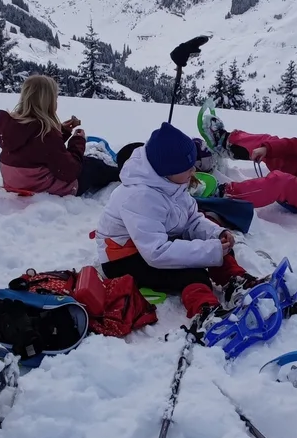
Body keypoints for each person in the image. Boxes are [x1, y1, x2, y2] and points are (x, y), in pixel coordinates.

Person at [95, 123, 245, 315]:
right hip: (124, 257)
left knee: (214, 242)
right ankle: (206, 311)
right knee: (191, 271)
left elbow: (191, 218)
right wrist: (209, 251)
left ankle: (236, 281)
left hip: (153, 241)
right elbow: (157, 253)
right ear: (169, 170)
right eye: (188, 167)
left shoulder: (171, 181)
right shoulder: (140, 197)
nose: (193, 171)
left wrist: (217, 235)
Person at [0, 74, 121, 197]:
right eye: (55, 98)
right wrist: (78, 141)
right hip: (38, 185)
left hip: (15, 182)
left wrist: (62, 131)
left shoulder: (12, 126)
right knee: (91, 165)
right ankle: (121, 174)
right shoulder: (45, 134)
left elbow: (36, 149)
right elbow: (70, 171)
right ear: (47, 102)